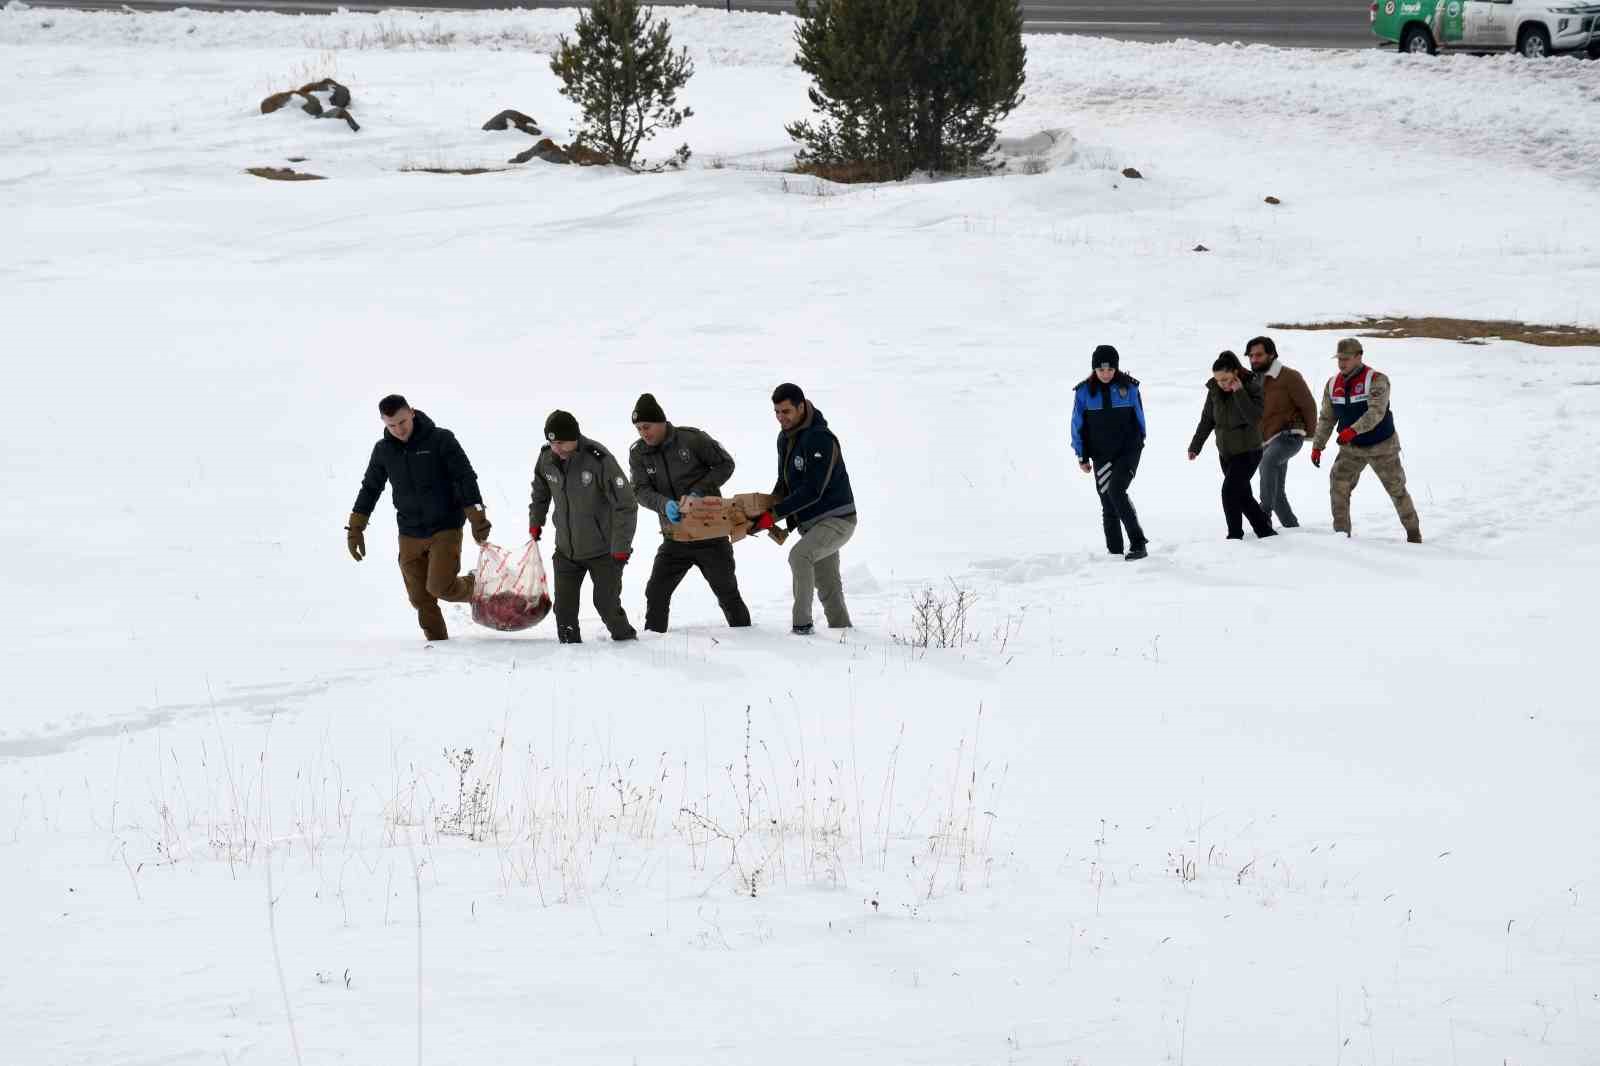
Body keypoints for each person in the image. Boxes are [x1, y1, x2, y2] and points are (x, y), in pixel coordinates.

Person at [347, 395, 491, 642]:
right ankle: (437, 647)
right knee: (420, 598)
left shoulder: (441, 439)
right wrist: (356, 528)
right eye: (391, 425)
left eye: (402, 422)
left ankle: (477, 586)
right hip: (409, 531)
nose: (398, 430)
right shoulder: (383, 450)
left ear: (412, 412)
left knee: (439, 587)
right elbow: (370, 488)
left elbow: (464, 477)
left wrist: (477, 517)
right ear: (383, 422)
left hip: (444, 526)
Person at [627, 393, 752, 633]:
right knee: (656, 591)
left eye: (647, 426)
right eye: (638, 428)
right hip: (675, 538)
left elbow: (726, 464)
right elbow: (640, 490)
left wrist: (699, 492)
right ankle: (655, 642)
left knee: (727, 592)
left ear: (662, 421)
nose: (643, 433)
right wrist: (664, 504)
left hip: (710, 535)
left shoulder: (692, 440)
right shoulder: (639, 453)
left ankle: (746, 639)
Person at [747, 384, 857, 635]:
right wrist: (762, 512)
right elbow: (784, 485)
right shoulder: (784, 438)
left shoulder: (820, 438)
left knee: (800, 557)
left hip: (838, 519)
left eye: (785, 411)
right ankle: (844, 632)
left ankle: (802, 626)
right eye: (776, 412)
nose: (780, 417)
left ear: (801, 406)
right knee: (827, 581)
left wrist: (773, 515)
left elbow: (813, 489)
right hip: (812, 525)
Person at [528, 410, 639, 644]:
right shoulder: (546, 458)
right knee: (564, 610)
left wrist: (620, 547)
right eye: (552, 442)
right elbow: (540, 492)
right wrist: (536, 522)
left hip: (604, 551)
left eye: (561, 442)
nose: (556, 448)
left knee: (606, 604)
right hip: (566, 551)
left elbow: (626, 504)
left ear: (574, 437)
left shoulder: (598, 459)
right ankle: (569, 655)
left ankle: (627, 641)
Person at [1310, 338, 1423, 543]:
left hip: (1382, 447)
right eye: (1339, 359)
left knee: (1396, 489)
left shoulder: (1377, 379)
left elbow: (1376, 413)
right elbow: (1327, 418)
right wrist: (1318, 446)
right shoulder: (1332, 383)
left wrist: (1352, 431)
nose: (1341, 363)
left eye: (1346, 358)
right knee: (1338, 484)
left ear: (1359, 356)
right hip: (1351, 449)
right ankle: (1341, 535)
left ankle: (1413, 534)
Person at [1188, 352, 1278, 540]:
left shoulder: (1251, 387)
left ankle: (1235, 536)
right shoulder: (1214, 390)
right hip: (1226, 453)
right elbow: (1207, 420)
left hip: (1249, 451)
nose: (1222, 384)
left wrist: (1239, 392)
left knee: (1229, 492)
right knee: (1242, 495)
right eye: (1218, 380)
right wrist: (1195, 446)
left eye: (1226, 379)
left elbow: (1253, 417)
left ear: (1235, 373)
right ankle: (1265, 531)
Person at [1070, 344, 1149, 560]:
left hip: (1128, 451)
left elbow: (1140, 420)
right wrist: (1082, 455)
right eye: (1101, 370)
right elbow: (1077, 425)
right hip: (1101, 454)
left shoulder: (1129, 388)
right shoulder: (1084, 392)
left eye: (1110, 369)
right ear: (1094, 369)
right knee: (1107, 501)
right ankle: (1115, 552)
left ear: (1117, 368)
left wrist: (1139, 442)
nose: (1106, 374)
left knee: (1116, 491)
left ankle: (1138, 543)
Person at [1246, 335, 1319, 529]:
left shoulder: (1289, 376)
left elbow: (1308, 406)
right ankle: (1292, 528)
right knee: (1277, 492)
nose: (1254, 359)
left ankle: (1263, 514)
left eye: (1259, 355)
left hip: (1290, 435)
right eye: (1251, 356)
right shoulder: (1253, 381)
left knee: (1267, 462)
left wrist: (1311, 436)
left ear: (1271, 354)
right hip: (1268, 440)